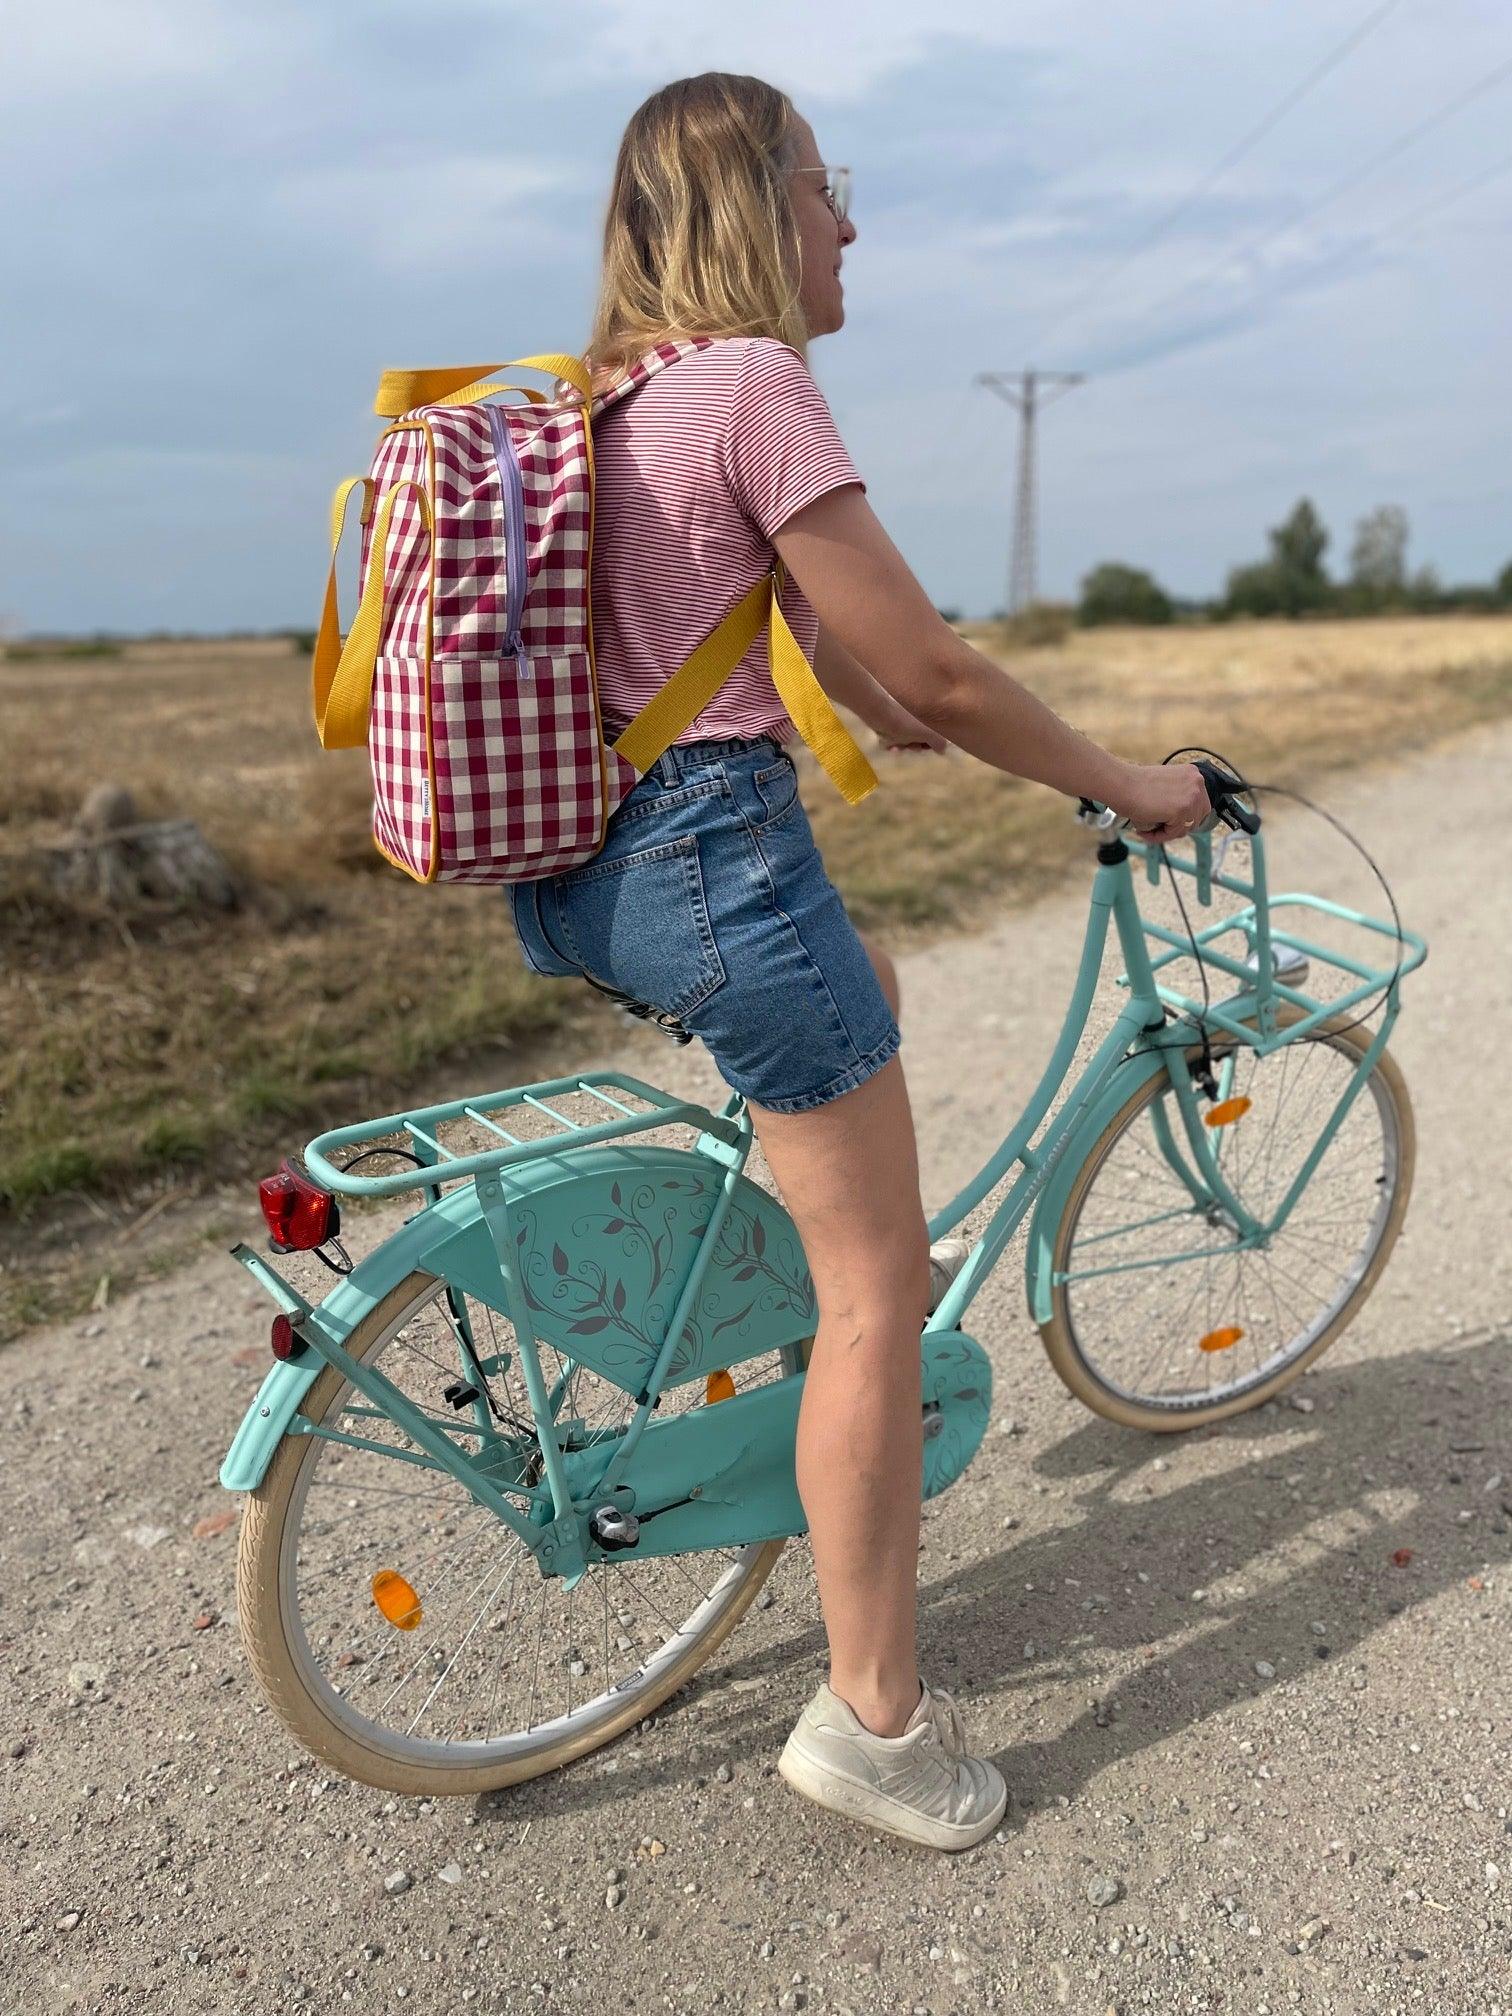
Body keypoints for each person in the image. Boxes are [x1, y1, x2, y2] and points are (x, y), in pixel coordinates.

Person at [506, 72, 1209, 1852]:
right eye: (832, 187)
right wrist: (1134, 783)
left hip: (590, 875)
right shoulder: (754, 384)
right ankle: (876, 1728)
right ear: (763, 201)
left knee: (865, 997)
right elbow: (950, 673)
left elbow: (868, 670)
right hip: (710, 862)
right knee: (879, 1289)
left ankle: (805, 1299)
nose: (853, 223)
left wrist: (902, 722)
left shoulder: (616, 395)